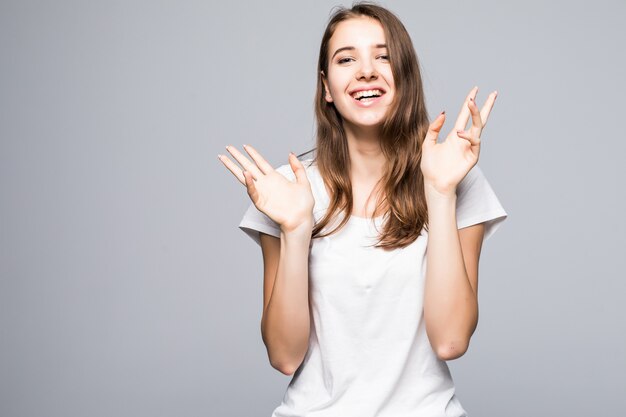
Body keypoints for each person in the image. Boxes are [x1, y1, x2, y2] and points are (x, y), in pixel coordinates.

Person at [218, 2, 507, 416]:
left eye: (383, 55)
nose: (366, 70)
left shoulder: (453, 176)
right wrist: (296, 228)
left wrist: (441, 193)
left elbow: (451, 340)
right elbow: (284, 356)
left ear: (404, 76)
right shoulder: (288, 190)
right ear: (326, 87)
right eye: (346, 58)